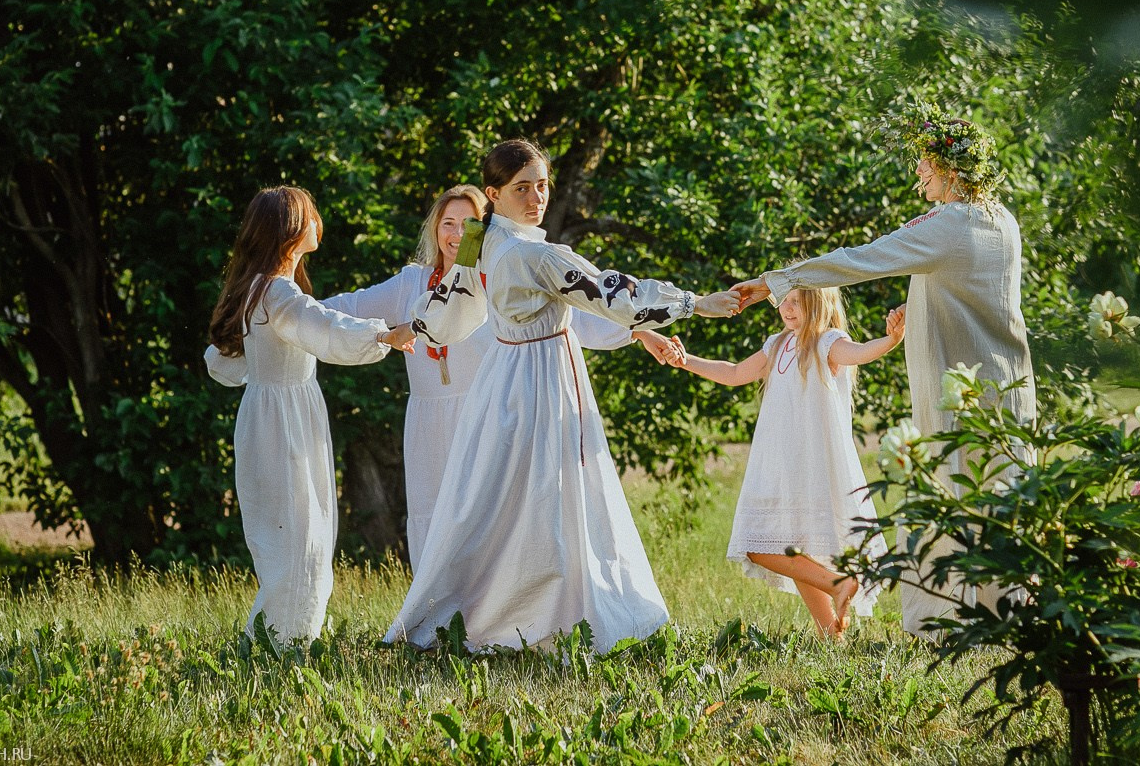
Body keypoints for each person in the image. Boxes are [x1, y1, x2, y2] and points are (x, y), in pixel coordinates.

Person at [383, 139, 740, 653]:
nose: (536, 198)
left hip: (506, 377)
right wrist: (695, 303)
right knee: (547, 493)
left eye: (542, 186)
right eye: (521, 188)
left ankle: (488, 606)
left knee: (501, 495)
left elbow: (452, 307)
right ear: (494, 192)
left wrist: (415, 325)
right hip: (538, 380)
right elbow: (615, 294)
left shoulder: (479, 237)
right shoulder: (536, 255)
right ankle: (541, 612)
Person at [730, 112, 1036, 636]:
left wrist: (779, 281)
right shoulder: (1001, 219)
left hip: (957, 385)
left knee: (952, 492)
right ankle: (1017, 617)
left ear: (947, 167)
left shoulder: (950, 223)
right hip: (1009, 384)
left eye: (924, 167)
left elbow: (864, 259)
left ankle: (950, 624)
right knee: (1004, 494)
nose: (919, 178)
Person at [321, 184, 688, 567]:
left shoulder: (499, 277)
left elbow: (577, 315)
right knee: (432, 514)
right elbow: (350, 306)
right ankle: (436, 616)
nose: (457, 234)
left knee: (487, 517)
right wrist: (292, 312)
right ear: (434, 229)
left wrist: (641, 331)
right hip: (428, 422)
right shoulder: (410, 283)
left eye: (469, 224)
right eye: (448, 223)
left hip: (487, 416)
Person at [204, 185, 416, 644]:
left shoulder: (260, 289)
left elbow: (221, 360)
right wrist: (384, 336)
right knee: (301, 537)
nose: (319, 222)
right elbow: (321, 326)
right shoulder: (277, 292)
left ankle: (282, 638)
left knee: (292, 533)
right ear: (290, 231)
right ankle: (282, 643)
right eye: (311, 215)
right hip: (285, 422)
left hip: (271, 415)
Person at [672, 289, 903, 639]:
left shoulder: (828, 342)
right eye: (783, 300)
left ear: (819, 302)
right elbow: (735, 373)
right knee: (793, 544)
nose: (786, 308)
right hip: (782, 464)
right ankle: (831, 631)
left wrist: (891, 339)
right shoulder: (778, 344)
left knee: (760, 543)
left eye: (797, 300)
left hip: (814, 464)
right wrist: (685, 360)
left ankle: (838, 584)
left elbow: (860, 353)